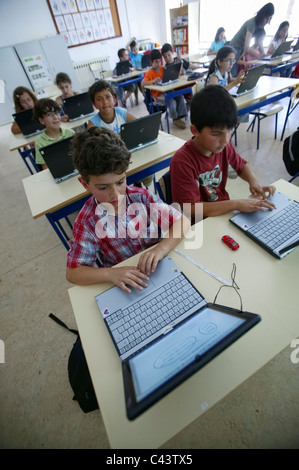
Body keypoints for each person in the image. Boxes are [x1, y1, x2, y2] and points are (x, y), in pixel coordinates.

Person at [65, 127, 189, 289]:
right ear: (85, 184)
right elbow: (73, 273)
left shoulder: (141, 196)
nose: (115, 195)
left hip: (158, 267)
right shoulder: (88, 222)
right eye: (103, 188)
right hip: (125, 281)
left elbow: (183, 222)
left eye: (120, 182)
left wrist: (160, 249)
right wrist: (110, 273)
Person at [170, 85, 276, 221]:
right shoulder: (182, 161)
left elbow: (240, 166)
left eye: (229, 130)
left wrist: (253, 180)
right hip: (199, 224)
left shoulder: (222, 146)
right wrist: (236, 204)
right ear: (195, 130)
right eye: (216, 133)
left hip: (222, 213)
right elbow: (189, 209)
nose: (225, 140)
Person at [143, 49, 187, 129]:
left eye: (160, 61)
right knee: (172, 101)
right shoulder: (149, 73)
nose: (158, 64)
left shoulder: (164, 68)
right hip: (158, 97)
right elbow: (143, 83)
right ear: (151, 62)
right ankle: (175, 118)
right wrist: (153, 81)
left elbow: (176, 75)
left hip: (167, 91)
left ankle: (181, 115)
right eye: (156, 62)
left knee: (180, 96)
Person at [230, 2, 275, 76]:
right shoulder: (252, 23)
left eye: (270, 19)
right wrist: (259, 56)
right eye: (267, 18)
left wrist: (263, 55)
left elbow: (260, 42)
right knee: (234, 72)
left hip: (242, 47)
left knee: (240, 73)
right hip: (236, 46)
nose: (268, 22)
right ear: (262, 15)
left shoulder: (260, 26)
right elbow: (247, 47)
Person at [33, 98, 75, 170]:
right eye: (49, 114)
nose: (55, 117)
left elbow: (79, 156)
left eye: (57, 113)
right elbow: (45, 167)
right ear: (42, 120)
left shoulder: (70, 133)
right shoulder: (39, 142)